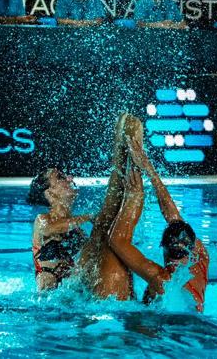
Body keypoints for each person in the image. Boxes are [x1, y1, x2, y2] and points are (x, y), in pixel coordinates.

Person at [108, 124, 210, 313]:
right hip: (193, 320)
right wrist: (148, 169)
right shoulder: (201, 256)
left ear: (163, 246)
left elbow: (117, 241)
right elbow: (173, 217)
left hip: (171, 327)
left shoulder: (161, 279)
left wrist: (134, 196)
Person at [75, 113, 144, 300]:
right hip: (111, 297)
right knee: (113, 237)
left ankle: (124, 151)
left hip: (92, 288)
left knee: (104, 225)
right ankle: (128, 154)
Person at [27, 167, 93, 291]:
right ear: (49, 193)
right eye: (61, 177)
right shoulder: (42, 220)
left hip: (73, 294)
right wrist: (90, 217)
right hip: (47, 298)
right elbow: (52, 228)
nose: (70, 178)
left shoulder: (78, 231)